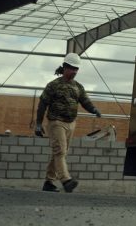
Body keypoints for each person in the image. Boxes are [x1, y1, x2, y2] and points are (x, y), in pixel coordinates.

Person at [34, 53, 102, 193]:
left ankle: (49, 182)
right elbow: (42, 104)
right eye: (72, 68)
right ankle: (66, 180)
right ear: (64, 67)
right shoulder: (53, 85)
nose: (74, 72)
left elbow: (85, 101)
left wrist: (94, 109)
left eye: (76, 69)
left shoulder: (78, 87)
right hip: (56, 122)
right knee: (60, 151)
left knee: (59, 153)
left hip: (71, 123)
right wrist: (38, 124)